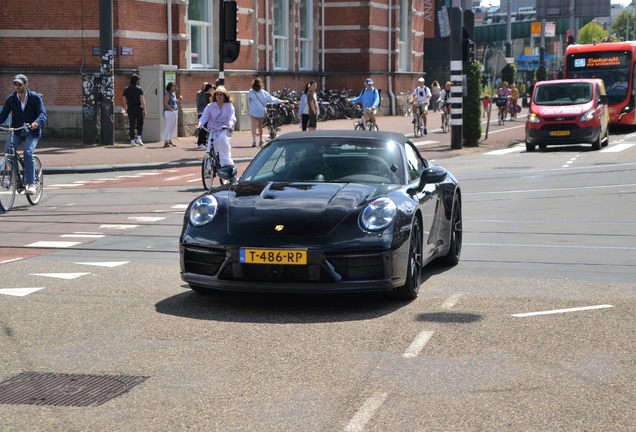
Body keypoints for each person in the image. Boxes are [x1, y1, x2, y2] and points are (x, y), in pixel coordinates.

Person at [0, 74, 47, 196]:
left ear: (26, 84)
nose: (17, 86)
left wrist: (37, 122)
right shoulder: (11, 99)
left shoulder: (35, 98)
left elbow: (43, 114)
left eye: (19, 84)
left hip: (32, 131)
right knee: (8, 150)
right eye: (15, 84)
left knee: (27, 152)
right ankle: (16, 178)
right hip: (18, 130)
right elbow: (3, 114)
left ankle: (31, 184)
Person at [198, 86, 236, 168]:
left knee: (222, 139)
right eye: (217, 94)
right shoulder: (210, 106)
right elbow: (204, 117)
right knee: (211, 145)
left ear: (224, 96)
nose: (219, 96)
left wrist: (230, 125)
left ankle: (226, 163)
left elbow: (231, 117)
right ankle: (208, 168)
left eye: (221, 95)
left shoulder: (229, 106)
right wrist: (199, 125)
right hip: (213, 130)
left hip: (225, 130)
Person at [248, 78, 286, 147]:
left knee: (253, 125)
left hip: (253, 110)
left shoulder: (250, 92)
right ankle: (260, 139)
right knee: (260, 126)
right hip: (260, 110)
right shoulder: (263, 92)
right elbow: (271, 98)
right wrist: (280, 101)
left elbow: (249, 101)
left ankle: (254, 141)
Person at [123, 74, 146, 147]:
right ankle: (139, 137)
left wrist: (125, 108)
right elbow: (142, 100)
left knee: (132, 124)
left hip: (130, 107)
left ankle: (132, 140)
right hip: (138, 108)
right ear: (137, 81)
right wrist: (145, 109)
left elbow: (124, 100)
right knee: (140, 123)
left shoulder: (126, 89)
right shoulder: (139, 89)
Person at [163, 82, 182, 148]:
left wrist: (179, 99)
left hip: (174, 111)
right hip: (169, 112)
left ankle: (170, 140)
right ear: (170, 87)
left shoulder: (173, 94)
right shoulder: (167, 94)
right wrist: (171, 110)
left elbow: (176, 102)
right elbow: (165, 103)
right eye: (173, 86)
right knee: (168, 126)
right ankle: (165, 141)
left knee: (173, 127)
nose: (174, 87)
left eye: (174, 86)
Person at [196, 82, 214, 149]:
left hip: (208, 113)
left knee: (207, 128)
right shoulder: (199, 94)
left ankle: (205, 142)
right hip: (201, 112)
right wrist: (206, 97)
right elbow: (199, 102)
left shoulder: (210, 94)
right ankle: (200, 142)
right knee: (202, 128)